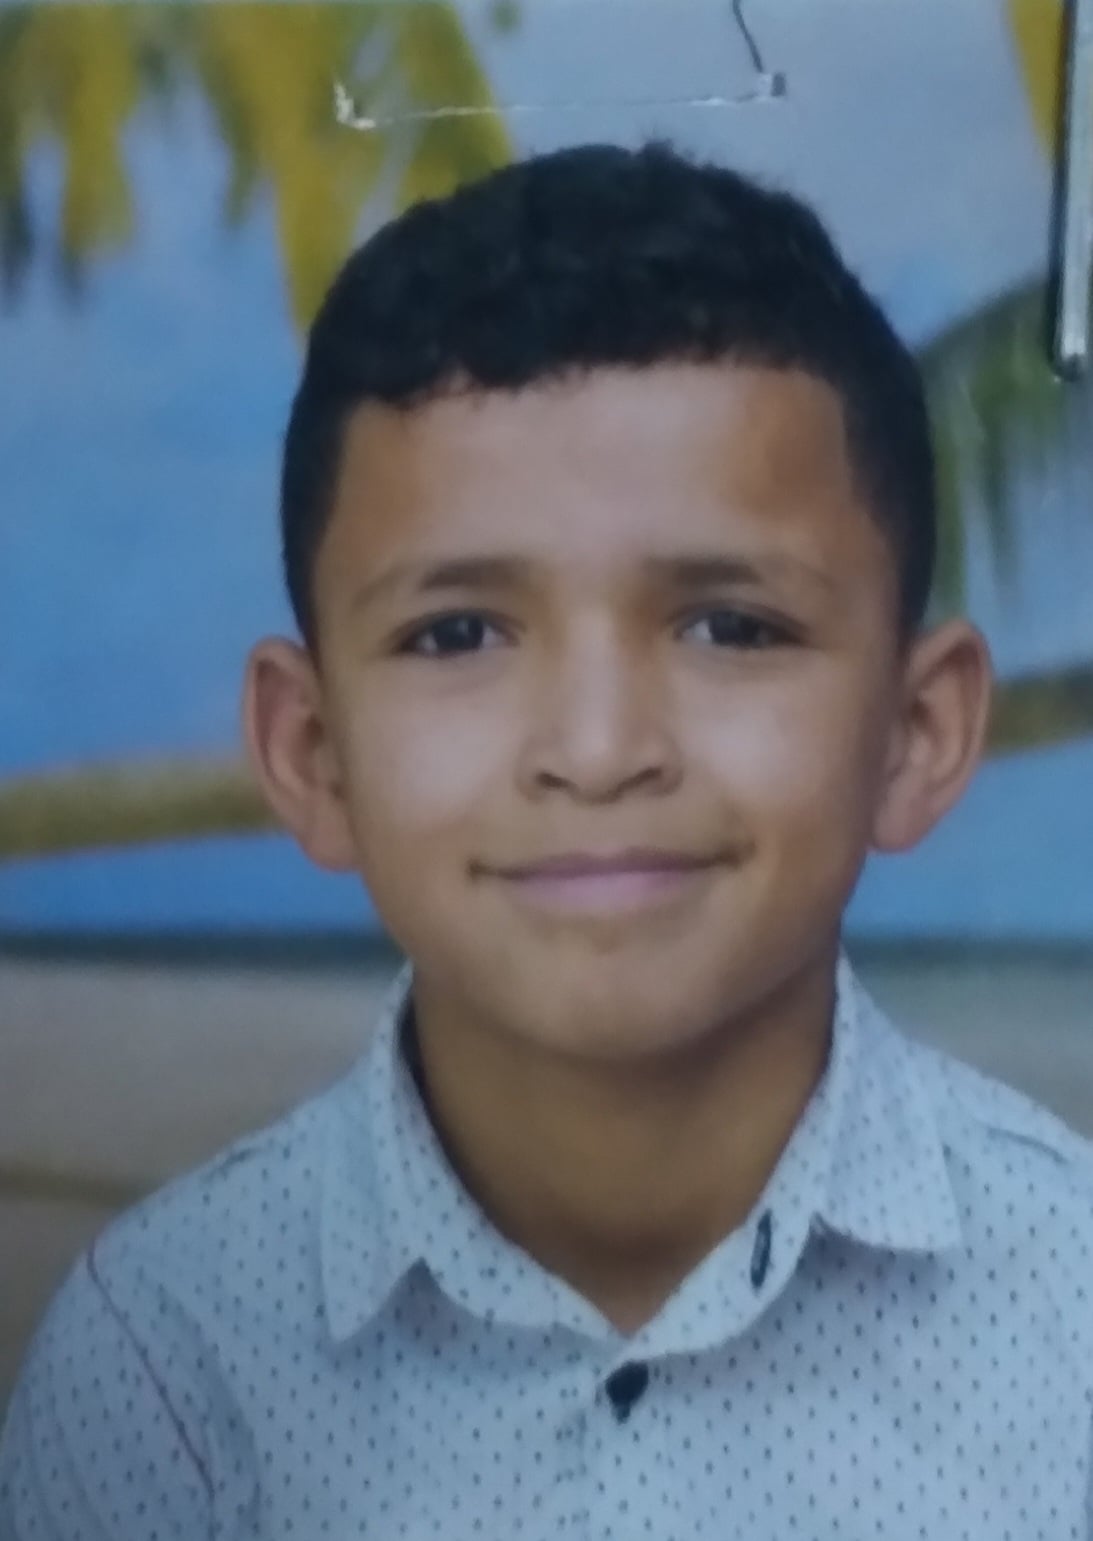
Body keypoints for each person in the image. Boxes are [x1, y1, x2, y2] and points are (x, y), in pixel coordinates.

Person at [2, 140, 1091, 1540]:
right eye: (457, 632)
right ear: (313, 752)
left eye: (729, 625)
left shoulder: (1070, 1317)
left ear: (916, 731)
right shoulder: (163, 1364)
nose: (596, 746)